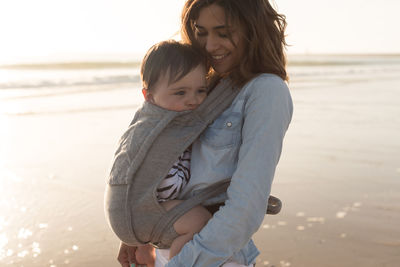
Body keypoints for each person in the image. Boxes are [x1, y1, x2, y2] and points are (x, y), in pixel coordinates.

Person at [118, 0, 293, 266]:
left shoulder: (266, 91)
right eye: (201, 32)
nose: (210, 46)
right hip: (172, 241)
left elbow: (245, 209)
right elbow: (154, 153)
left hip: (214, 255)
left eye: (223, 33)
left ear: (253, 30)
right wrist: (137, 229)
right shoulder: (201, 86)